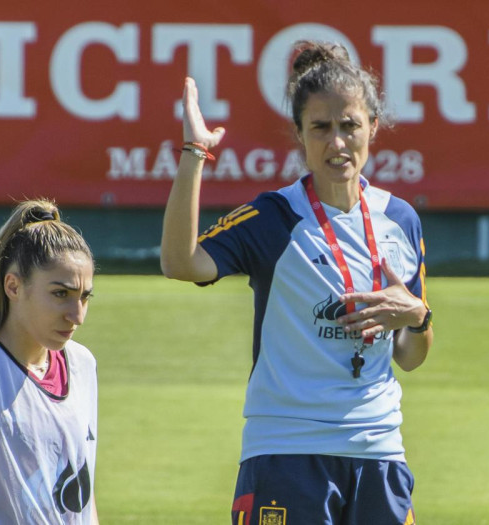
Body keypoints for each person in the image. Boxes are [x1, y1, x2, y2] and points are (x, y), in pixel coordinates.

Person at [161, 40, 433, 524]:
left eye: (349, 125)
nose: (337, 143)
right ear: (300, 135)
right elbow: (181, 262)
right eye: (321, 128)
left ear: (373, 125)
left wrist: (417, 315)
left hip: (379, 449)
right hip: (287, 448)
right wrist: (194, 152)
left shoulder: (401, 220)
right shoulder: (275, 216)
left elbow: (411, 356)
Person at [0, 199, 98, 524]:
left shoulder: (82, 364)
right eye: (61, 294)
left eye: (85, 296)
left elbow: (83, 491)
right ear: (13, 286)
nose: (77, 316)